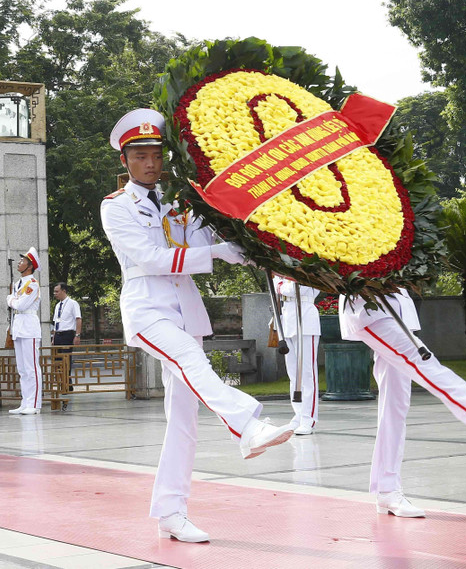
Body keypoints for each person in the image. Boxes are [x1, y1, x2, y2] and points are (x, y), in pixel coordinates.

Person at [101, 108, 294, 543]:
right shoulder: (115, 207)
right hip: (148, 309)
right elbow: (149, 259)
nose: (150, 163)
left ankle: (171, 511)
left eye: (156, 154)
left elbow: (207, 239)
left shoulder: (177, 204)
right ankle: (246, 424)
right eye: (140, 155)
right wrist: (217, 254)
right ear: (125, 161)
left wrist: (238, 237)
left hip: (185, 309)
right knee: (189, 359)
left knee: (183, 419)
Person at [339, 289, 466, 517]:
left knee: (395, 405)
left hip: (395, 310)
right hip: (369, 309)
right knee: (420, 359)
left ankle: (386, 490)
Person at [272, 275, 320, 435]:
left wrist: (279, 284)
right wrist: (280, 284)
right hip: (287, 318)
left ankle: (309, 418)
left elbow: (294, 288)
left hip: (305, 318)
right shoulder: (283, 274)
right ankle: (299, 415)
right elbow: (280, 287)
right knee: (293, 374)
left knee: (306, 374)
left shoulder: (305, 268)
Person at [6, 248, 42, 415]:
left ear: (30, 266)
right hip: (19, 326)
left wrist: (10, 299)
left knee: (31, 367)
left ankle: (34, 404)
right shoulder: (18, 284)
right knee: (21, 368)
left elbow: (21, 305)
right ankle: (25, 401)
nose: (19, 263)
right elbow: (16, 306)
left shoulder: (32, 284)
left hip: (29, 326)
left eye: (22, 261)